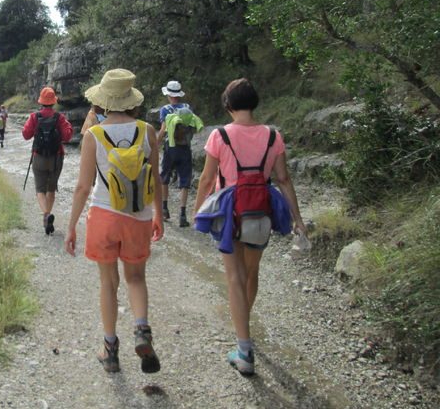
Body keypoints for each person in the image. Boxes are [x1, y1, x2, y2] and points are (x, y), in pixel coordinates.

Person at [192, 78, 306, 376]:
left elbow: (206, 179)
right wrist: (298, 218)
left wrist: (197, 210)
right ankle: (244, 330)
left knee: (234, 277)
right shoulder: (273, 135)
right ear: (254, 102)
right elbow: (283, 179)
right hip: (261, 210)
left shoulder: (219, 135)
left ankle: (243, 349)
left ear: (227, 105)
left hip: (230, 211)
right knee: (251, 272)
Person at [65, 69, 164, 374]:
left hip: (104, 215)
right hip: (139, 216)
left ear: (105, 102)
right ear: (131, 100)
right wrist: (159, 213)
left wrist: (70, 226)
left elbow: (83, 186)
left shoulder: (94, 134)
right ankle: (142, 329)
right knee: (136, 278)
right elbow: (156, 179)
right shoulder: (147, 131)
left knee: (108, 283)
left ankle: (110, 350)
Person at [22, 87, 73, 235]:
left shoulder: (34, 117)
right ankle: (47, 216)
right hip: (56, 158)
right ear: (53, 102)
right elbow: (67, 136)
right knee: (51, 189)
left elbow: (26, 135)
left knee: (40, 189)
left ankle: (46, 215)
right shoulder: (60, 117)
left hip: (38, 158)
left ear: (41, 101)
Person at [157, 80, 202, 227]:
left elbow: (163, 129)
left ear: (169, 95)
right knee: (185, 180)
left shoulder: (165, 109)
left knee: (164, 177)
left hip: (170, 148)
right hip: (185, 148)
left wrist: (156, 143)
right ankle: (182, 215)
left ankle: (164, 209)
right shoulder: (187, 108)